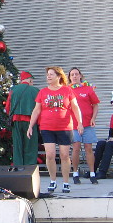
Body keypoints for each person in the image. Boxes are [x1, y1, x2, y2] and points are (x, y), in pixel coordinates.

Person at [27, 66, 83, 194]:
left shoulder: (67, 90)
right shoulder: (43, 92)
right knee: (50, 155)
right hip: (47, 127)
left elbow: (75, 107)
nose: (48, 76)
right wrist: (31, 125)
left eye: (51, 74)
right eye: (47, 74)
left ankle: (66, 182)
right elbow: (36, 110)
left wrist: (79, 123)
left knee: (64, 155)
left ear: (58, 76)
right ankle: (53, 180)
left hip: (64, 127)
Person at [68, 68, 100, 184]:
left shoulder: (87, 88)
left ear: (80, 76)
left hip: (88, 124)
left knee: (89, 148)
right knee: (76, 148)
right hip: (74, 125)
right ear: (70, 77)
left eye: (76, 74)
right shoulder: (67, 90)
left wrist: (93, 118)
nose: (75, 76)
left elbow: (95, 105)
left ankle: (92, 173)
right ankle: (75, 173)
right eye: (72, 75)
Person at [5, 71, 40, 166]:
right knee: (30, 145)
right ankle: (30, 167)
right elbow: (39, 108)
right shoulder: (35, 90)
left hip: (16, 120)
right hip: (30, 122)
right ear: (29, 80)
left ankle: (18, 166)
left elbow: (8, 107)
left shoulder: (13, 90)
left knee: (17, 145)